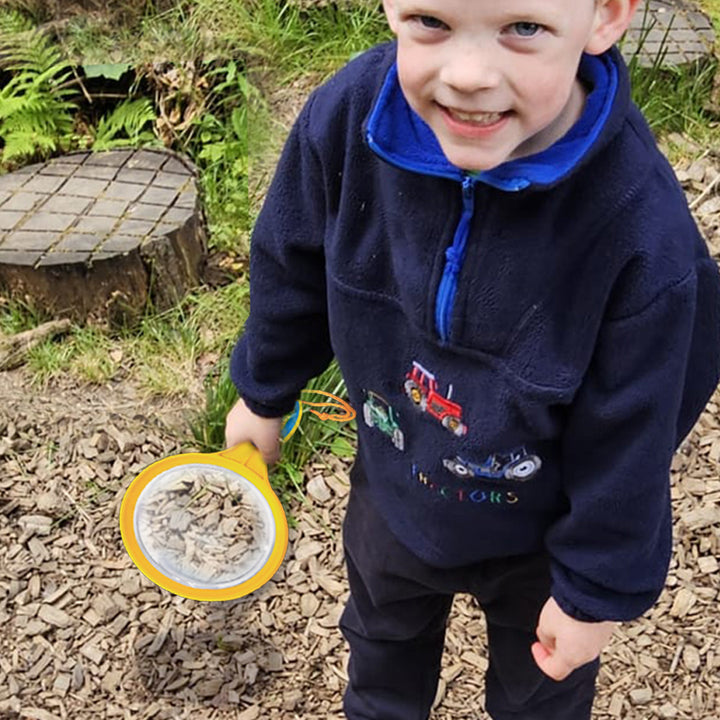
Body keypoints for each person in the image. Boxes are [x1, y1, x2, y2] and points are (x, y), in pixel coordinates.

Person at [225, 0, 720, 717]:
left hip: (539, 538)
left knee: (539, 699)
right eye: (430, 20)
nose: (467, 75)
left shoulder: (642, 232)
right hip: (394, 488)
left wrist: (595, 588)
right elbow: (290, 266)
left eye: (523, 29)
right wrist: (264, 391)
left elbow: (638, 433)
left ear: (606, 15)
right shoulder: (348, 120)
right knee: (380, 659)